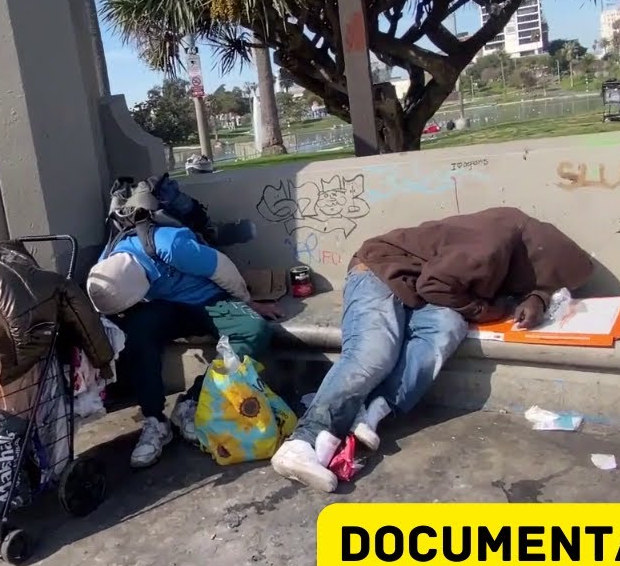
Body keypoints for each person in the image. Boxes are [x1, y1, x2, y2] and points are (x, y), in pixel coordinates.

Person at [271, 207, 594, 493]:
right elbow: (434, 286)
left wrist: (537, 298)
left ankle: (374, 408)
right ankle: (303, 443)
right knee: (375, 352)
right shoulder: (491, 245)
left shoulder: (530, 250)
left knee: (449, 328)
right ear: (539, 261)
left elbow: (542, 281)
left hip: (428, 287)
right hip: (381, 272)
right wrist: (490, 311)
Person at [87, 225, 282, 468]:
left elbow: (221, 267)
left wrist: (248, 302)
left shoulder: (171, 246)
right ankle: (155, 421)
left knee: (254, 331)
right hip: (162, 307)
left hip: (208, 298)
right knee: (134, 335)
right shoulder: (107, 266)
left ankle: (194, 401)